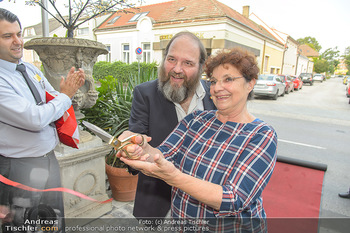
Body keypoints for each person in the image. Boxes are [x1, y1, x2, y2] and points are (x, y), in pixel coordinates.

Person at [119, 47, 278, 232]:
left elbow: (233, 199)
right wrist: (141, 146)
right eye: (213, 81)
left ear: (250, 83)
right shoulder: (195, 120)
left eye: (228, 79)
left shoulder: (261, 134)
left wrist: (174, 177)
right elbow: (162, 155)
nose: (217, 88)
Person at [0, 8, 85, 232]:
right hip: (19, 167)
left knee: (53, 222)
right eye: (7, 36)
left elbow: (52, 98)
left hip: (48, 160)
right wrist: (66, 96)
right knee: (23, 226)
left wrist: (62, 96)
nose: (18, 41)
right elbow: (35, 118)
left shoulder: (28, 68)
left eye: (19, 34)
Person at [128, 31, 216, 220]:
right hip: (158, 208)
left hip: (205, 208)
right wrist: (132, 146)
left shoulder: (215, 95)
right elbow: (137, 137)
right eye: (172, 59)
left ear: (201, 66)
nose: (177, 69)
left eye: (188, 63)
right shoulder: (145, 94)